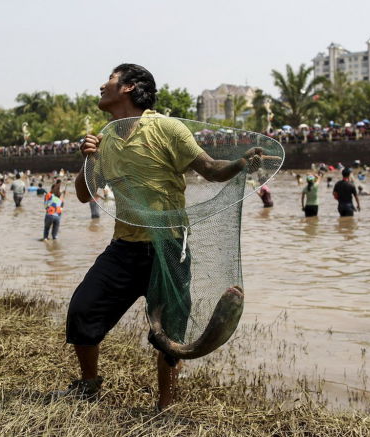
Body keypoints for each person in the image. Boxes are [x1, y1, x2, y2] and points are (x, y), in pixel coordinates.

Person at [63, 64, 264, 410]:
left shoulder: (168, 128)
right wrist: (88, 158)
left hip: (170, 247)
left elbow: (212, 170)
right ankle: (89, 384)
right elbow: (85, 194)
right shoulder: (106, 138)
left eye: (109, 80)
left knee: (169, 332)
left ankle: (165, 405)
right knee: (82, 310)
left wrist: (240, 164)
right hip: (124, 247)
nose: (102, 85)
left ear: (129, 87)